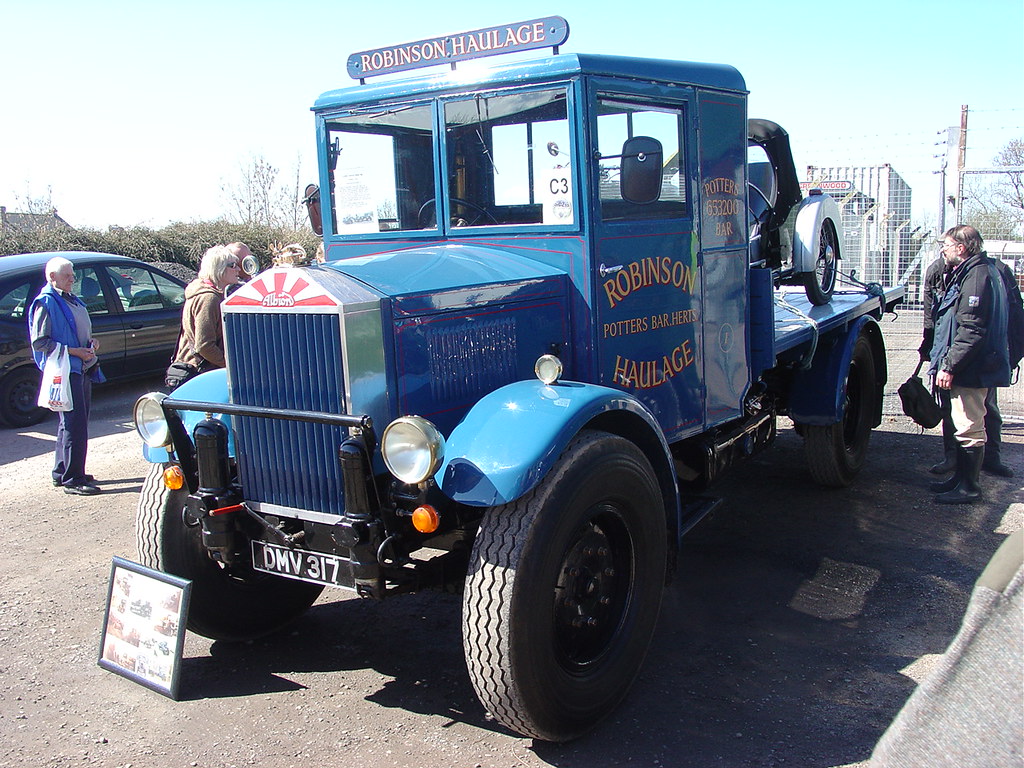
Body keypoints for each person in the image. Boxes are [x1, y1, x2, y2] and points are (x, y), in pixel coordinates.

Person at [921, 246, 1022, 478]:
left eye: (946, 245)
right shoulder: (938, 269)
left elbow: (1014, 310)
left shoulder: (993, 270)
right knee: (950, 407)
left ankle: (990, 459)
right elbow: (931, 311)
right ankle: (954, 460)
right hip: (949, 349)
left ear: (961, 246)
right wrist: (929, 345)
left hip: (980, 354)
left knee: (987, 408)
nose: (943, 249)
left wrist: (1013, 352)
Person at [28, 256, 105, 495]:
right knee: (74, 424)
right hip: (66, 370)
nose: (72, 279)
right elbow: (40, 342)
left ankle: (63, 471)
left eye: (73, 275)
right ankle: (73, 478)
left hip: (80, 367)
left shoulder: (69, 298)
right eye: (67, 275)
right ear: (52, 277)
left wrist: (90, 343)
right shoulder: (46, 302)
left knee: (70, 423)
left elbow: (76, 329)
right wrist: (74, 351)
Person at [169, 245, 241, 376]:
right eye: (233, 265)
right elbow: (204, 345)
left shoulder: (206, 293)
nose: (238, 269)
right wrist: (230, 365)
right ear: (219, 269)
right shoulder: (209, 298)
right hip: (200, 371)